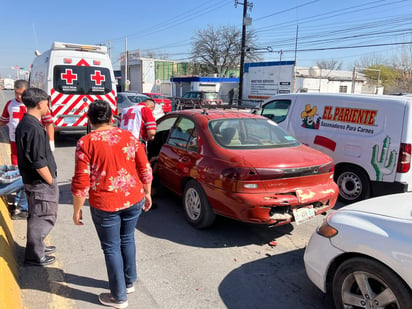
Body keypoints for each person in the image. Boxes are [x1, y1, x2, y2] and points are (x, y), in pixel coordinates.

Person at [72, 100, 153, 309]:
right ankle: (129, 282)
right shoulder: (129, 137)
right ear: (111, 117)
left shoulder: (86, 142)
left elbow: (82, 180)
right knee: (127, 239)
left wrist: (77, 209)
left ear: (90, 119)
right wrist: (147, 193)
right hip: (133, 198)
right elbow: (145, 168)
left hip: (105, 203)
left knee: (111, 248)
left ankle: (119, 297)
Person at [15, 88, 59, 266]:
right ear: (40, 104)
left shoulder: (28, 123)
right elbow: (37, 160)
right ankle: (34, 255)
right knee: (42, 215)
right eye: (47, 103)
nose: (48, 106)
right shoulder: (32, 127)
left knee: (38, 213)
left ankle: (37, 246)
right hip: (39, 181)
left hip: (34, 180)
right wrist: (50, 181)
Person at [0, 80, 55, 166]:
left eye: (21, 94)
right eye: (16, 93)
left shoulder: (37, 104)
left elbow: (49, 123)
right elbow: (3, 121)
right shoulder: (10, 104)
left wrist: (51, 141)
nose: (19, 96)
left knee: (36, 161)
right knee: (16, 162)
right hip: (15, 140)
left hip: (34, 139)